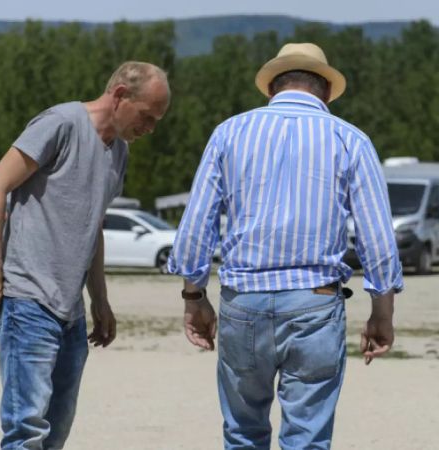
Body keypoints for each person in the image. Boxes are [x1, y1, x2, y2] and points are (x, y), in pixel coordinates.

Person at [169, 42, 402, 449]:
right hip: (314, 301)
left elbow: (196, 225)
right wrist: (382, 312)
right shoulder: (351, 140)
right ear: (326, 91)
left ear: (272, 88)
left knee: (243, 434)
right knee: (307, 439)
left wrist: (194, 296)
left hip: (244, 302)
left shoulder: (230, 133)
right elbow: (377, 237)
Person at [0, 61, 170, 449]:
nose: (150, 128)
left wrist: (100, 299)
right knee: (26, 430)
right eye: (147, 116)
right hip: (27, 302)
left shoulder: (118, 154)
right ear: (119, 96)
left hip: (70, 314)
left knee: (56, 431)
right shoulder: (60, 124)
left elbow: (92, 227)